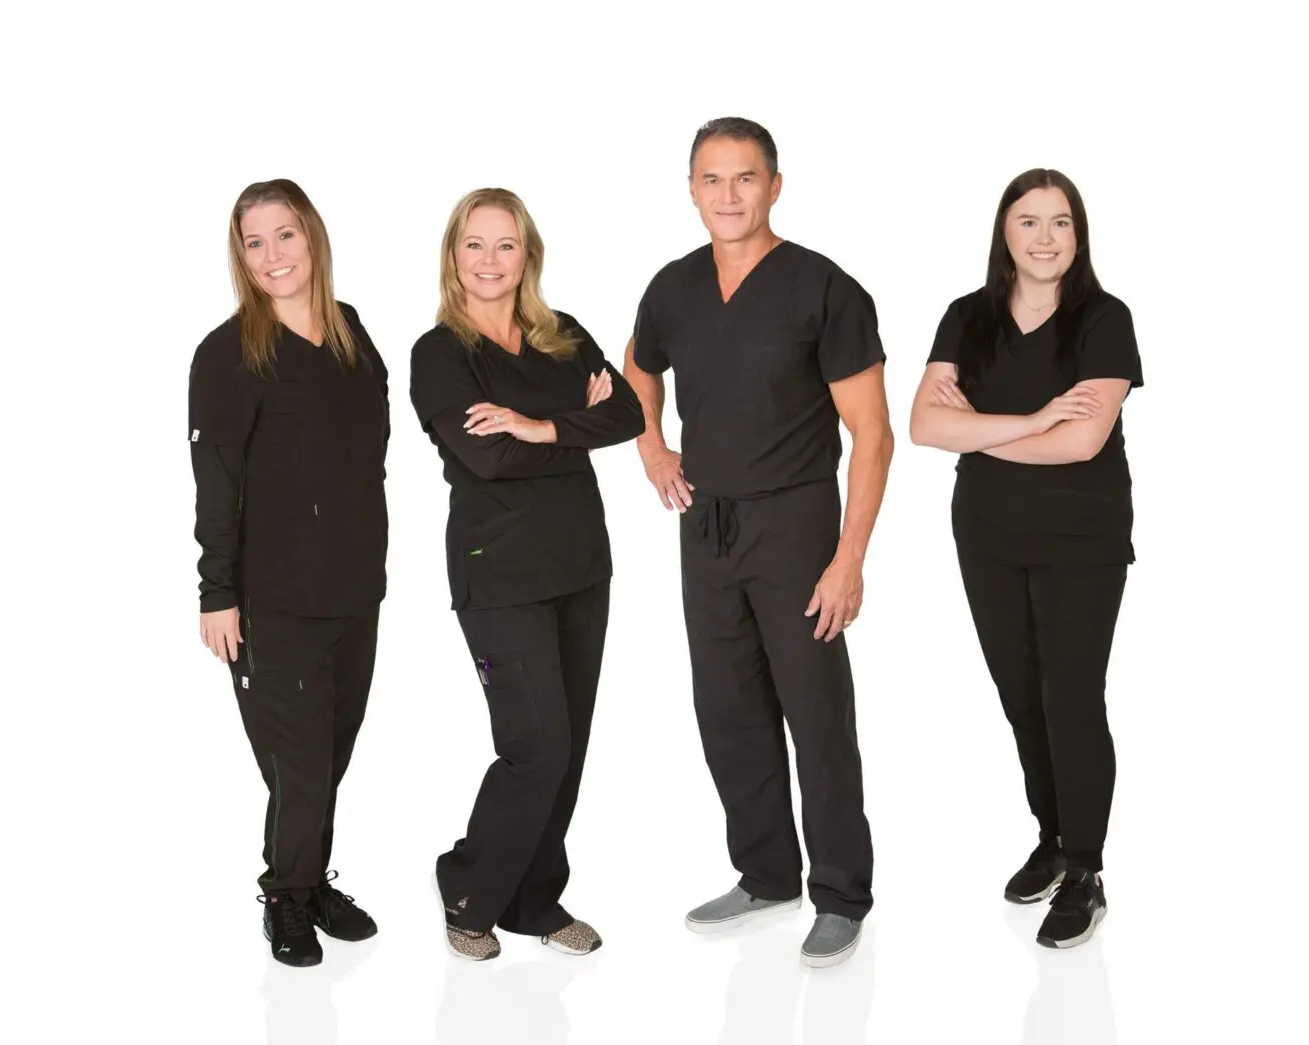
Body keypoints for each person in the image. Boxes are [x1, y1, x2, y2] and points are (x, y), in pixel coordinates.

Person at [623, 118, 893, 969]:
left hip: (797, 524)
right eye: (712, 179)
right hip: (706, 524)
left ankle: (842, 895)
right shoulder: (672, 288)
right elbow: (638, 368)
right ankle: (767, 873)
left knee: (815, 713)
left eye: (745, 178)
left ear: (776, 185)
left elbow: (874, 436)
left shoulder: (824, 289)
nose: (728, 195)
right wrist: (654, 447)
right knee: (727, 709)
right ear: (691, 188)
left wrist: (848, 559)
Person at [909, 168, 1143, 949]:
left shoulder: (1103, 320)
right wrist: (1036, 416)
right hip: (988, 535)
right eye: (1030, 222)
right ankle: (1051, 835)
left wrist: (986, 425)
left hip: (1082, 537)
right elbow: (924, 427)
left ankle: (1085, 867)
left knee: (1070, 698)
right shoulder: (965, 318)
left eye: (1062, 223)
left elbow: (1084, 441)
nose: (1046, 238)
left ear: (1079, 236)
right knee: (1021, 698)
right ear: (1004, 232)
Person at [410, 188, 645, 962]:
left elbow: (630, 416)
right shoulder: (439, 354)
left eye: (505, 245)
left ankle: (534, 899)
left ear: (528, 256)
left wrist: (538, 425)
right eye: (473, 245)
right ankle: (470, 888)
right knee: (534, 745)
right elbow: (484, 455)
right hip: (499, 573)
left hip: (580, 564)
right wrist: (574, 427)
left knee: (568, 744)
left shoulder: (561, 334)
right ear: (453, 257)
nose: (489, 260)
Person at [188, 179, 389, 967]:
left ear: (313, 237)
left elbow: (366, 457)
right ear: (241, 256)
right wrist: (218, 595)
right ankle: (284, 895)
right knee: (297, 764)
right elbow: (217, 483)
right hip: (272, 603)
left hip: (353, 591)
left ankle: (308, 884)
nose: (273, 255)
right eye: (254, 242)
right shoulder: (228, 354)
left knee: (331, 753)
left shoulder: (350, 334)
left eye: (285, 235)